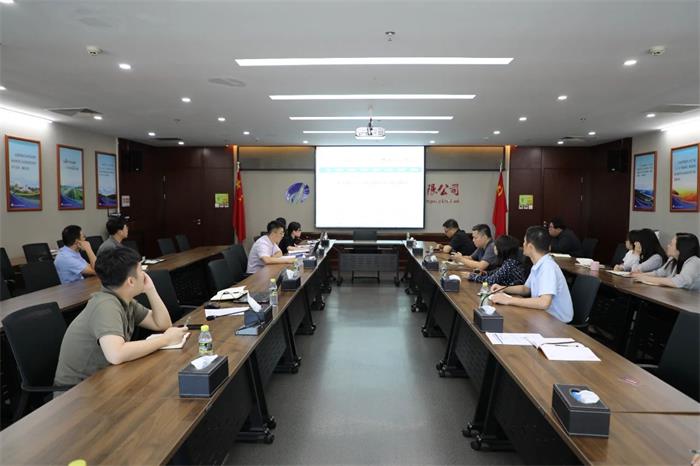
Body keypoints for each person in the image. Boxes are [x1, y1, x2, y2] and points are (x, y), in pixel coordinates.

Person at [54, 247, 188, 387]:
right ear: (130, 281)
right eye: (141, 270)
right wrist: (165, 340)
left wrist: (150, 290)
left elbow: (162, 324)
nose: (144, 274)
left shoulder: (123, 299)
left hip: (104, 379)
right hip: (77, 391)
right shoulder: (105, 305)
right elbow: (116, 354)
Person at [490, 226, 573, 323]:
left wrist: (508, 300)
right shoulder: (539, 264)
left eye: (524, 241)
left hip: (556, 321)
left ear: (530, 247)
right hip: (543, 315)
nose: (523, 244)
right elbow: (526, 289)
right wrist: (503, 288)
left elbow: (544, 303)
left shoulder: (548, 267)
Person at [632, 233, 700, 290]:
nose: (668, 246)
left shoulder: (694, 261)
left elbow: (678, 282)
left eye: (671, 244)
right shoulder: (672, 259)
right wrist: (640, 275)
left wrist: (646, 278)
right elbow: (660, 273)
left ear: (681, 249)